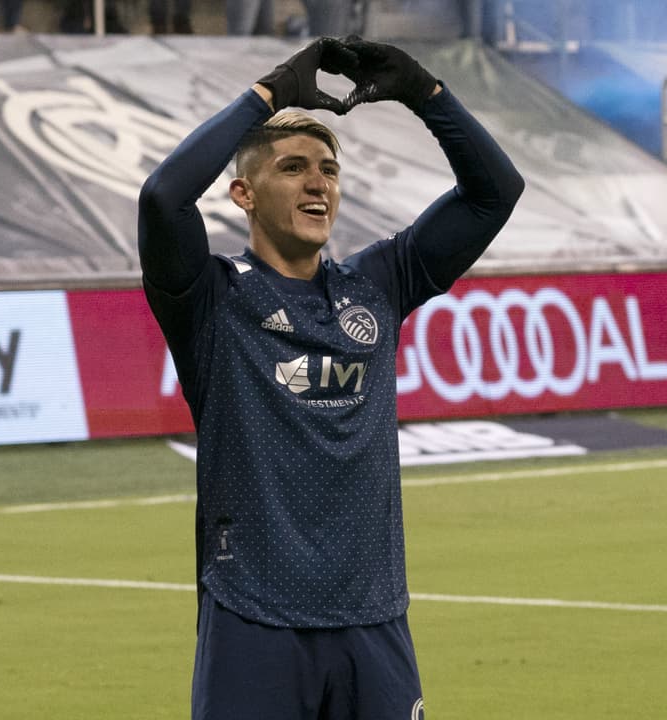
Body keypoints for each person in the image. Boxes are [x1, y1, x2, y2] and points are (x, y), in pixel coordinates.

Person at [138, 36, 523, 719]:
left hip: (373, 620)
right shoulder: (212, 299)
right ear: (243, 194)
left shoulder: (378, 284)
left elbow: (494, 194)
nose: (317, 183)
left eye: (328, 170)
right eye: (292, 168)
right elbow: (164, 198)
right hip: (253, 618)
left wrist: (424, 92)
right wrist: (268, 94)